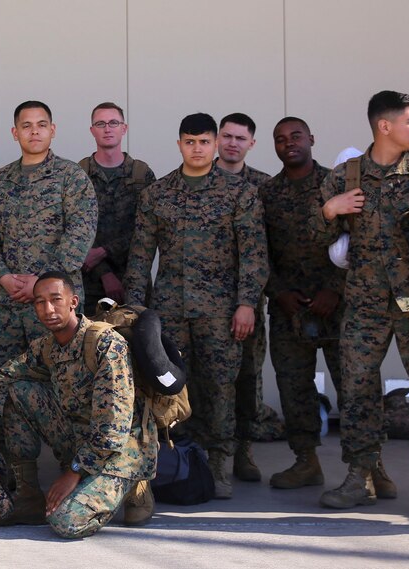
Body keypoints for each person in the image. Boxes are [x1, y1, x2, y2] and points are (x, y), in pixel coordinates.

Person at [316, 90, 409, 519]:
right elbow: (310, 240)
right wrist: (330, 210)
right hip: (364, 305)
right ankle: (358, 478)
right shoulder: (346, 176)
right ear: (385, 126)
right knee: (358, 394)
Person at [125, 112, 268, 499]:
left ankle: (220, 467)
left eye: (205, 142)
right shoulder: (158, 194)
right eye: (190, 142)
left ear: (215, 144)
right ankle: (177, 463)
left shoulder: (239, 193)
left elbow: (253, 255)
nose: (198, 148)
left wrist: (247, 304)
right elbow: (140, 257)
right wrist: (135, 310)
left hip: (221, 311)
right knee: (169, 389)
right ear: (179, 144)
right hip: (170, 309)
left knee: (221, 387)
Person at [0, 271, 157, 538]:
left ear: (73, 301)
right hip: (80, 440)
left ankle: (135, 483)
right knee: (16, 390)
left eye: (55, 299)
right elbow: (4, 375)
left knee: (65, 522)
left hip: (120, 449)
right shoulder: (47, 347)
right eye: (39, 302)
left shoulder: (106, 344)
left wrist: (74, 472)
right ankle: (28, 496)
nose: (47, 309)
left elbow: (113, 430)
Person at [259, 117, 349, 490]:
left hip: (338, 306)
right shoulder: (266, 193)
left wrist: (335, 288)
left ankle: (370, 467)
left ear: (311, 138)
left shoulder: (336, 184)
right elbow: (257, 251)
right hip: (288, 308)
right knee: (295, 388)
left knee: (354, 386)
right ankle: (306, 461)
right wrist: (278, 292)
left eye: (295, 136)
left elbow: (357, 239)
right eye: (280, 139)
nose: (288, 143)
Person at [0, 100, 97, 374]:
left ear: (52, 130)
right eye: (26, 126)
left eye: (41, 125)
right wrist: (4, 277)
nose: (34, 132)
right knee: (3, 380)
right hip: (7, 304)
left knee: (60, 380)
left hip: (55, 304)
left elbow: (79, 237)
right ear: (14, 132)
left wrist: (40, 284)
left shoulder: (71, 178)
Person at [215, 112, 273, 482]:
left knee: (248, 380)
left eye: (240, 138)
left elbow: (267, 249)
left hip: (249, 302)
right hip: (206, 303)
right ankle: (210, 454)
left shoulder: (262, 187)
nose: (232, 143)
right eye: (227, 136)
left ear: (252, 143)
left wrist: (251, 300)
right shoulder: (198, 178)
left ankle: (244, 452)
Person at [79, 102, 156, 312]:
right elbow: (74, 229)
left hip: (133, 279)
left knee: (136, 341)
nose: (107, 128)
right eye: (100, 123)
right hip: (89, 279)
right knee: (90, 341)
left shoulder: (141, 174)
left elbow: (146, 229)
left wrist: (104, 251)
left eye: (113, 122)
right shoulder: (78, 175)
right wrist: (104, 272)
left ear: (124, 128)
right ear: (92, 130)